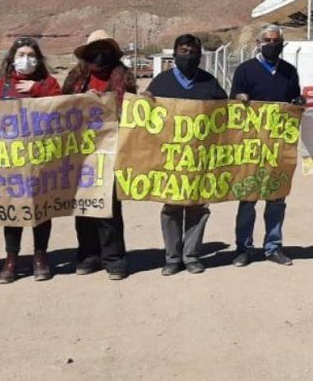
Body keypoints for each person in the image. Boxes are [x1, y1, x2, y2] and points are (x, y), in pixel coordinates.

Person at [144, 34, 227, 276]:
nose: (187, 56)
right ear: (175, 53)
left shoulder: (209, 82)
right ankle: (171, 258)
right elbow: (146, 118)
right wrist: (146, 101)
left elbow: (226, 114)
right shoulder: (161, 82)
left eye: (192, 52)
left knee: (197, 207)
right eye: (183, 51)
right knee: (171, 207)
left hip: (200, 158)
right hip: (170, 159)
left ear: (199, 55)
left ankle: (191, 256)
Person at [0, 37, 62, 283]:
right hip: (10, 161)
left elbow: (64, 107)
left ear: (38, 59)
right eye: (21, 55)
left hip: (42, 159)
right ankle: (11, 260)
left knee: (42, 209)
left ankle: (40, 257)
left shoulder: (49, 84)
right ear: (12, 58)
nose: (25, 59)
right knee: (13, 210)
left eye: (31, 55)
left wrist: (36, 90)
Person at [62, 30, 133, 280]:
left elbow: (133, 109)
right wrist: (82, 99)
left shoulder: (123, 77)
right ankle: (88, 255)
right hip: (80, 153)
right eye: (95, 51)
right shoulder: (75, 79)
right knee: (84, 206)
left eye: (105, 51)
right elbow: (60, 107)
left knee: (109, 207)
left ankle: (114, 258)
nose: (100, 56)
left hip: (111, 151)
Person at [230, 24, 302, 268]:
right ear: (259, 43)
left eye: (277, 41)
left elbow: (293, 99)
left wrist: (298, 101)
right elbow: (232, 103)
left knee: (276, 199)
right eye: (268, 40)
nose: (273, 45)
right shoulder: (245, 70)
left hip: (279, 146)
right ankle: (243, 248)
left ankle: (273, 247)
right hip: (250, 145)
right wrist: (239, 98)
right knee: (248, 198)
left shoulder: (290, 72)